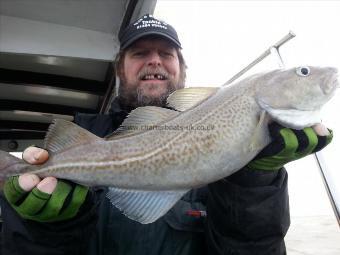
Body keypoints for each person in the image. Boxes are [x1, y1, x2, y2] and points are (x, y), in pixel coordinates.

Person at [0, 14, 333, 255]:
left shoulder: (234, 134)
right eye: (140, 53)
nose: (154, 61)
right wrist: (42, 229)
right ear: (120, 69)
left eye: (166, 53)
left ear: (181, 68)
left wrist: (256, 183)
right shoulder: (84, 136)